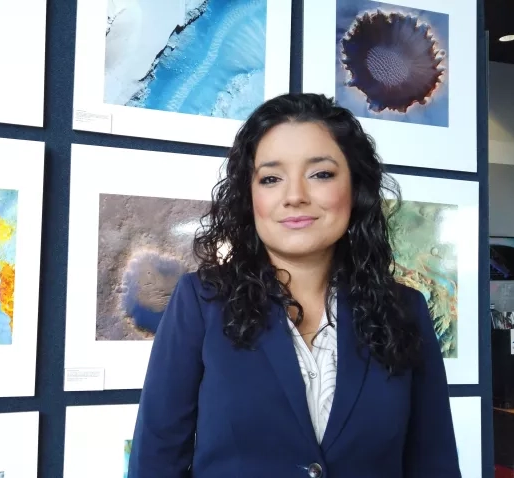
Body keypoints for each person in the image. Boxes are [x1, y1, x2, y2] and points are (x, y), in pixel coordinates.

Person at [127, 93, 461, 477]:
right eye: (271, 178)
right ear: (249, 195)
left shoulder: (405, 310)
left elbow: (434, 462)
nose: (295, 196)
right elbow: (156, 460)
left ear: (355, 187)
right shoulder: (202, 301)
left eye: (320, 174)